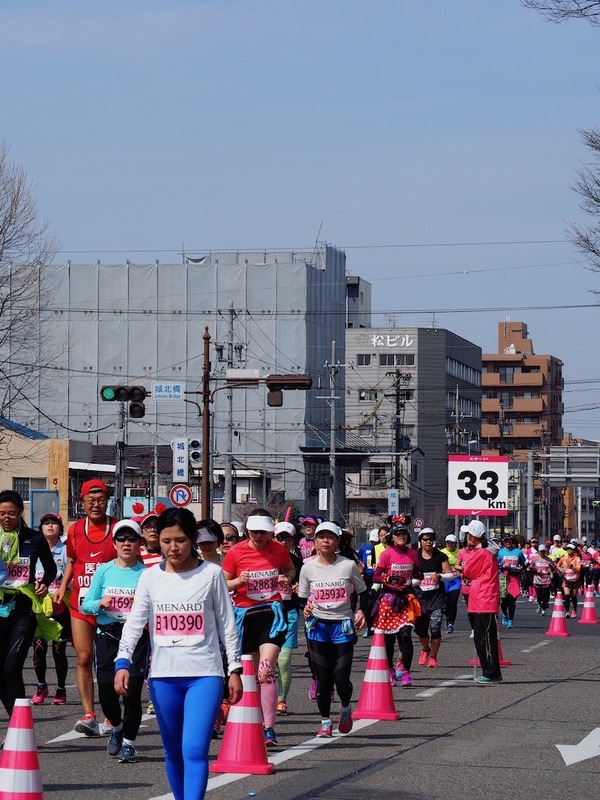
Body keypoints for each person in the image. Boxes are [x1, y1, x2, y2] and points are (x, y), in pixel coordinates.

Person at [115, 507, 242, 800]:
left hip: (205, 676)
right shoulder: (149, 578)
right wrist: (123, 662)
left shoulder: (211, 574)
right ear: (158, 540)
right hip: (163, 677)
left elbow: (227, 624)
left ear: (193, 539)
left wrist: (234, 669)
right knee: (173, 751)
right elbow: (135, 623)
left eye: (181, 540)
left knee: (194, 749)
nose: (174, 548)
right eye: (167, 540)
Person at [222, 508, 296, 747]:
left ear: (270, 531)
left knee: (266, 670)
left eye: (263, 532)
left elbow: (290, 569)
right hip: (244, 616)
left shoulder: (279, 550)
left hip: (271, 614)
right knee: (250, 675)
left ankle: (269, 729)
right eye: (254, 532)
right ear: (247, 531)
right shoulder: (236, 552)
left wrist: (287, 579)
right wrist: (238, 582)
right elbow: (223, 582)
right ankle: (250, 721)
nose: (259, 536)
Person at [82, 520, 149, 762]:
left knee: (131, 694)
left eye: (132, 539)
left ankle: (129, 743)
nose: (127, 543)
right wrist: (99, 603)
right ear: (114, 543)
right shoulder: (103, 571)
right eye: (121, 539)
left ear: (140, 544)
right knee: (108, 694)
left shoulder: (147, 575)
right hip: (107, 635)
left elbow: (156, 608)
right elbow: (85, 604)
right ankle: (117, 728)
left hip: (136, 638)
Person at [55, 479, 118, 735]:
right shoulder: (75, 529)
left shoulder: (117, 528)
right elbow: (72, 560)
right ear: (82, 503)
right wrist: (62, 587)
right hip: (80, 602)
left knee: (109, 661)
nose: (96, 505)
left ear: (107, 501)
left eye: (101, 500)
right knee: (83, 657)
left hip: (111, 604)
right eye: (90, 501)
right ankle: (89, 713)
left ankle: (111, 715)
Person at [298, 521, 367, 737]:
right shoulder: (308, 568)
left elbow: (364, 591)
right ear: (315, 542)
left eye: (330, 537)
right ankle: (325, 722)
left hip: (343, 626)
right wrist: (306, 607)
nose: (325, 541)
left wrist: (361, 612)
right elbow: (301, 598)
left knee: (341, 678)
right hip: (317, 627)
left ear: (337, 541)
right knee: (323, 678)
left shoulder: (347, 565)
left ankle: (345, 708)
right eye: (321, 537)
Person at [0, 490, 57, 717]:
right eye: (2, 513)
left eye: (11, 513)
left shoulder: (34, 538)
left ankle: (19, 725)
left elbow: (50, 568)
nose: (6, 518)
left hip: (23, 609)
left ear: (20, 512)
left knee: (12, 668)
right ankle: (18, 723)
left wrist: (45, 583)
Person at [371, 521, 422, 687]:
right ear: (391, 538)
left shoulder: (413, 554)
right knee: (389, 640)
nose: (401, 536)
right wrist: (388, 579)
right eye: (397, 534)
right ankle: (391, 670)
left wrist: (419, 575)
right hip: (388, 599)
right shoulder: (386, 554)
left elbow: (417, 572)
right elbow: (376, 576)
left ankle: (406, 671)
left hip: (406, 598)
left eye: (404, 534)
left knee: (406, 636)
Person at [31, 513, 71, 705]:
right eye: (45, 523)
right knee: (38, 648)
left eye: (54, 523)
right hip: (37, 606)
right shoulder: (34, 549)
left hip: (59, 606)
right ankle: (41, 685)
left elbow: (70, 578)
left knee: (58, 649)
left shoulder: (65, 551)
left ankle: (61, 689)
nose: (49, 526)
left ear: (60, 528)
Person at [461, 520, 502, 685]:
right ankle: (491, 671)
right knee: (483, 637)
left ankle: (491, 672)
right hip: (482, 598)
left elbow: (468, 571)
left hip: (484, 599)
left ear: (472, 537)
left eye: (468, 535)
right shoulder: (486, 552)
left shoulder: (481, 553)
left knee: (484, 638)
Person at [273, 521, 303, 716]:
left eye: (288, 538)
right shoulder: (264, 560)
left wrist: (301, 589)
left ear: (293, 541)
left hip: (290, 613)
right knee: (266, 663)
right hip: (267, 614)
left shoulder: (299, 564)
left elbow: (308, 589)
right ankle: (265, 698)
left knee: (283, 661)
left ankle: (281, 700)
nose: (283, 542)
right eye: (279, 537)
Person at [414, 528, 453, 667]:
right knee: (420, 629)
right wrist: (417, 580)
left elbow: (450, 575)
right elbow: (409, 577)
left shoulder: (440, 556)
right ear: (420, 541)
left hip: (437, 597)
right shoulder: (415, 556)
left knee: (435, 628)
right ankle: (425, 649)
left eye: (431, 539)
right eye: (425, 539)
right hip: (420, 597)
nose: (429, 542)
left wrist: (440, 576)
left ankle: (433, 657)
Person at [497, 535, 526, 628]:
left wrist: (521, 568)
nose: (507, 542)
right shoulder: (500, 552)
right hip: (503, 576)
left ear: (511, 541)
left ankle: (510, 620)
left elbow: (523, 563)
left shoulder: (518, 552)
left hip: (515, 577)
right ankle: (505, 614)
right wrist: (502, 566)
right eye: (505, 541)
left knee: (512, 599)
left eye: (508, 540)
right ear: (503, 542)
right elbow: (495, 565)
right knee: (504, 598)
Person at [357, 529, 379, 637]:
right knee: (366, 603)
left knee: (376, 602)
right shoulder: (364, 549)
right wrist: (360, 568)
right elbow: (359, 560)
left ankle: (376, 625)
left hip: (377, 578)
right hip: (367, 577)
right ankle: (368, 627)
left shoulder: (381, 549)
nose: (373, 543)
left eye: (376, 541)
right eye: (372, 541)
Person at [439, 533, 461, 633]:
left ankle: (450, 623)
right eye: (448, 543)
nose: (450, 545)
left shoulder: (459, 553)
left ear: (455, 544)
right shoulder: (441, 553)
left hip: (455, 581)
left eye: (452, 543)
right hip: (444, 581)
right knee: (445, 603)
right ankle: (447, 616)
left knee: (453, 602)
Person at [557, 542, 581, 619]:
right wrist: (561, 569)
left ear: (573, 550)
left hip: (575, 579)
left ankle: (574, 609)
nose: (568, 551)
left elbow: (578, 569)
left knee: (574, 596)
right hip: (566, 579)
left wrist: (571, 566)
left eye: (570, 549)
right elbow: (557, 565)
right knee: (566, 596)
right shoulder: (564, 558)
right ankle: (567, 611)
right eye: (567, 549)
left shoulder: (577, 558)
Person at [530, 543, 554, 615]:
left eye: (543, 551)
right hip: (538, 579)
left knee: (545, 595)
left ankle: (544, 609)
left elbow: (553, 567)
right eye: (541, 551)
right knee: (539, 595)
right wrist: (536, 571)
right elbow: (530, 568)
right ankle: (539, 604)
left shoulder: (549, 559)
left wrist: (551, 570)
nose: (542, 552)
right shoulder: (535, 559)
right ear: (538, 551)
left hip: (546, 580)